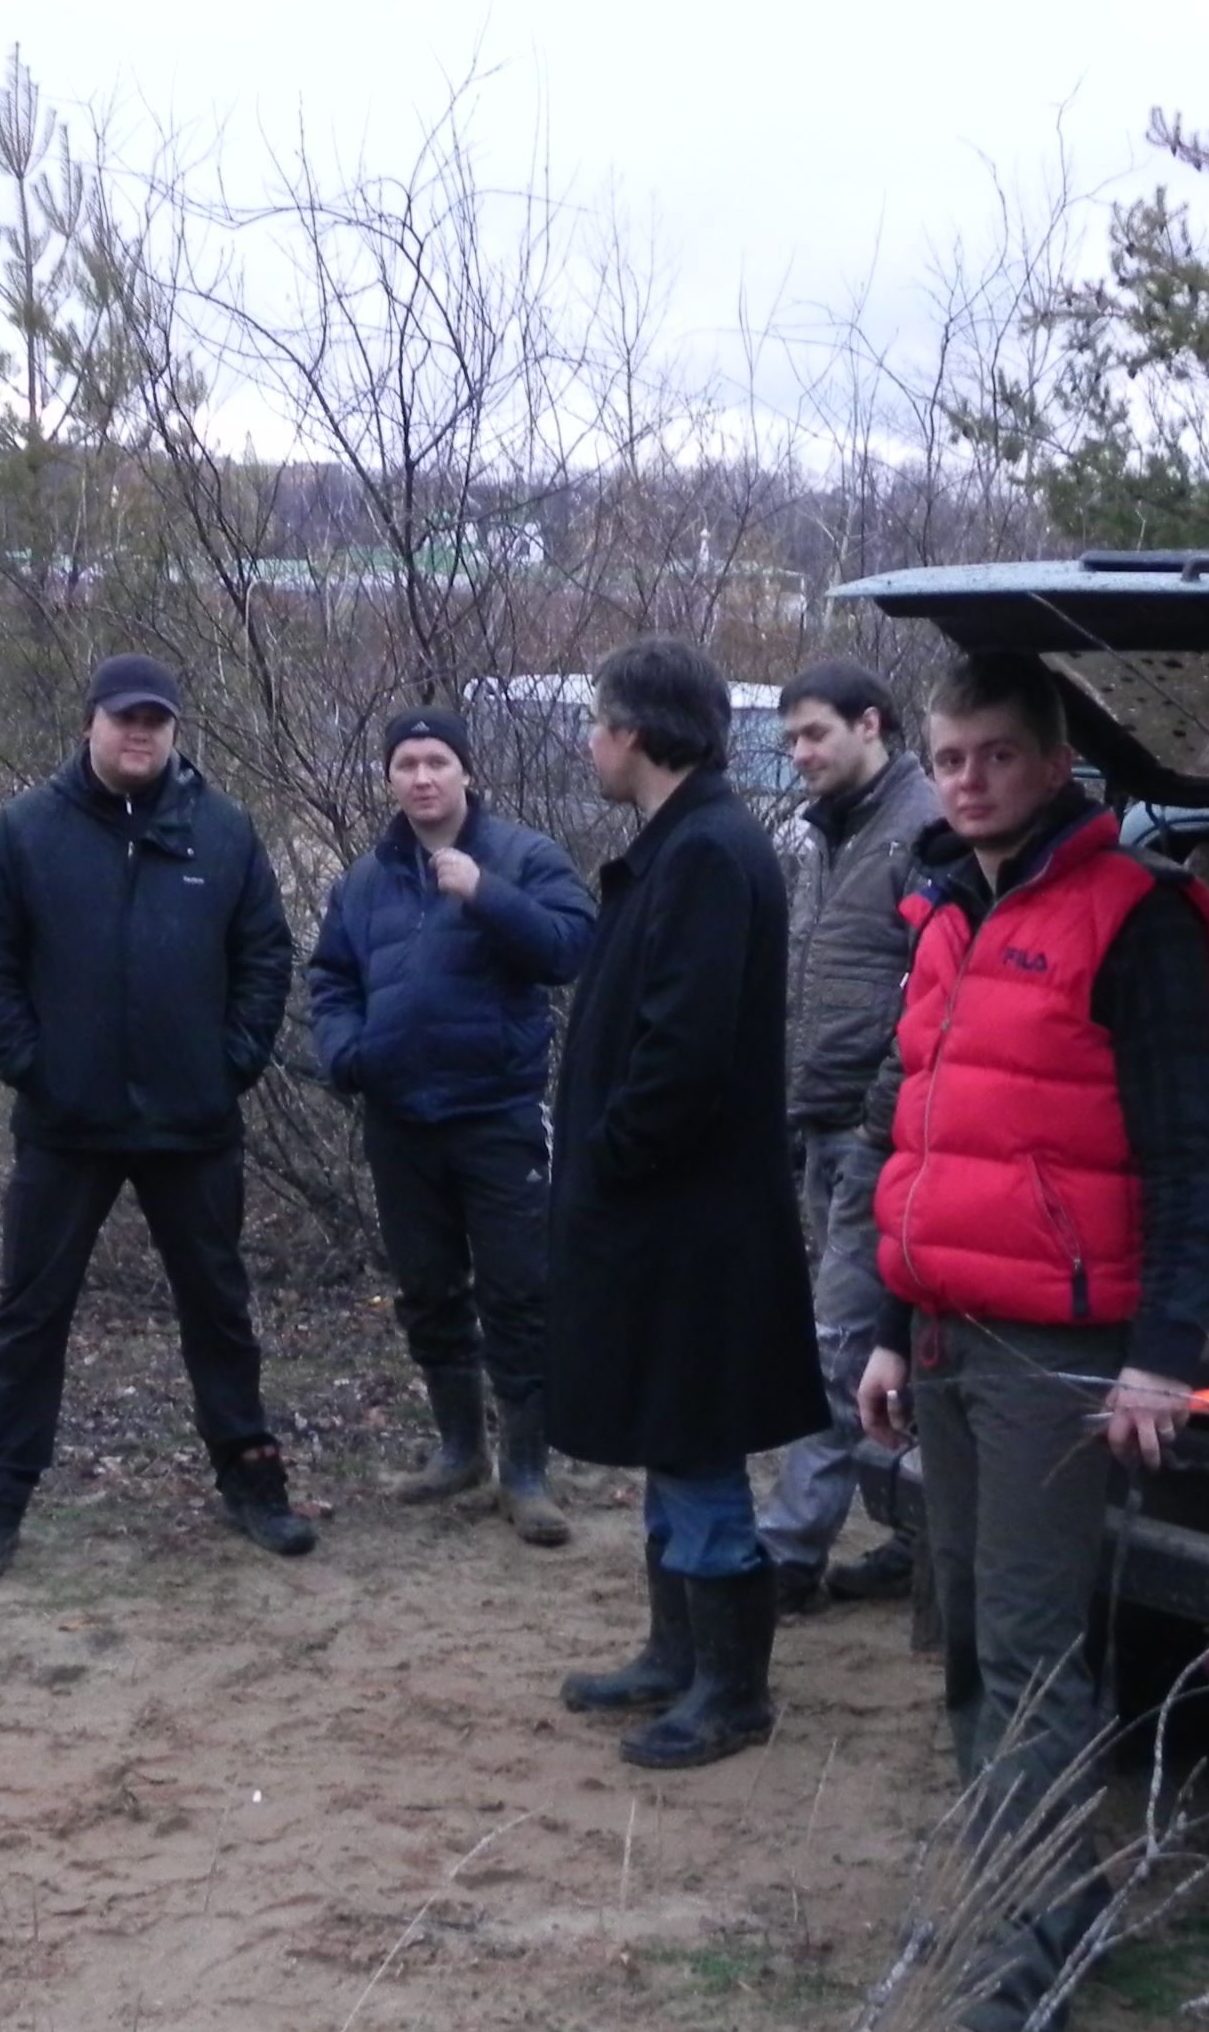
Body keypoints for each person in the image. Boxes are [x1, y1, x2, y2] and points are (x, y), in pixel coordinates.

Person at [851, 650, 1209, 2032]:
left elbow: (1192, 1160)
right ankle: (1030, 1901)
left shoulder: (1132, 918)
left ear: (1055, 761)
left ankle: (1024, 1979)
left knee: (1027, 1656)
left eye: (997, 755)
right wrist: (890, 1325)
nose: (967, 782)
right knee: (963, 1639)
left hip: (1059, 1357)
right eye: (949, 757)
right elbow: (925, 1140)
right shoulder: (948, 907)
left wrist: (1158, 1362)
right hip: (947, 1334)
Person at [0, 653, 307, 1577]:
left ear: (175, 731)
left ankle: (253, 1480)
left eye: (155, 721)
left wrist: (228, 1066)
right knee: (30, 1315)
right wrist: (35, 1069)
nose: (139, 733)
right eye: (124, 719)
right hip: (67, 1124)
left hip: (192, 1123)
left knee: (219, 1310)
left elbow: (265, 957)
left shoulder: (223, 831)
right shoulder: (27, 831)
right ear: (90, 725)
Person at [547, 637, 829, 1769]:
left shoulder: (708, 850)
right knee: (672, 1433)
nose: (590, 741)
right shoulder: (685, 842)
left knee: (697, 1438)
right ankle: (675, 1657)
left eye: (598, 721)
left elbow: (682, 1051)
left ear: (635, 732)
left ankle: (732, 1692)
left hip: (688, 1221)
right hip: (667, 1214)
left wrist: (609, 1157)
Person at [307, 706, 596, 1549]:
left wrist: (486, 894)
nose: (423, 777)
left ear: (467, 771)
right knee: (428, 1287)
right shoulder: (365, 881)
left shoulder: (523, 857)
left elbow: (571, 948)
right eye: (407, 764)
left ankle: (526, 1470)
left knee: (518, 1291)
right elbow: (331, 978)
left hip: (497, 1115)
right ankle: (459, 1450)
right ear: (389, 779)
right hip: (400, 1119)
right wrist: (347, 1054)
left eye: (437, 761)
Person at [762, 658, 942, 1613]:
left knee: (837, 1347)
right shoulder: (831, 833)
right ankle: (918, 1532)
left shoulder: (923, 829)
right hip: (825, 1124)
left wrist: (878, 1118)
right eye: (790, 738)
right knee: (880, 1343)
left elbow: (929, 1004)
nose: (798, 753)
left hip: (883, 1139)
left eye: (814, 733)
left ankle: (786, 1558)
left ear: (870, 724)